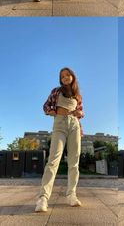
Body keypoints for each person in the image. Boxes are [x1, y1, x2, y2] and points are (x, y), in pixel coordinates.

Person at [35, 67, 84, 212]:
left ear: (73, 77)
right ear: (60, 80)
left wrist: (78, 112)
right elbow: (45, 106)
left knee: (74, 162)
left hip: (74, 124)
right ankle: (43, 198)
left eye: (68, 75)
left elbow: (82, 112)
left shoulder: (77, 95)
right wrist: (54, 111)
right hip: (60, 124)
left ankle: (71, 195)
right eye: (62, 76)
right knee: (53, 161)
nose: (65, 78)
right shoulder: (56, 91)